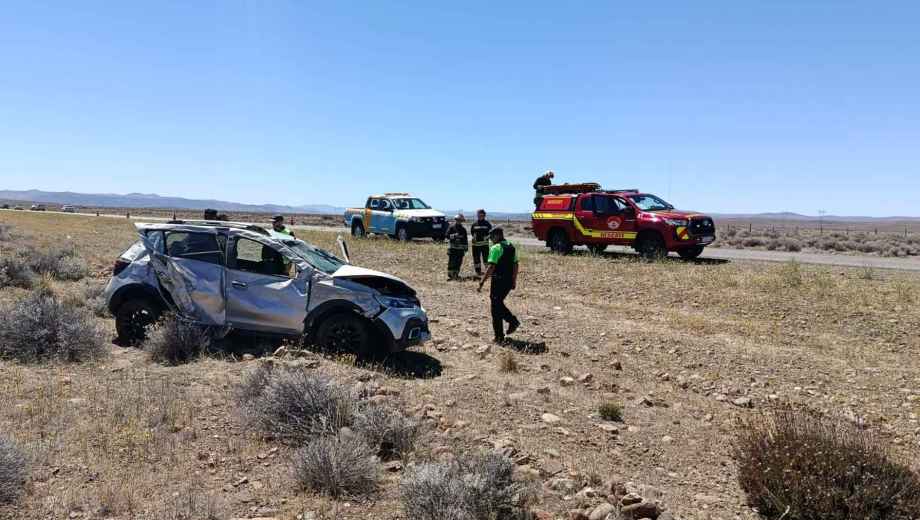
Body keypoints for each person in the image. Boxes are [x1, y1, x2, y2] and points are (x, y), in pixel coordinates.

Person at [478, 226, 521, 343]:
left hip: (498, 280)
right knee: (497, 305)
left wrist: (482, 281)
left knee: (495, 306)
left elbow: (491, 267)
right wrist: (514, 280)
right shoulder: (511, 246)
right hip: (508, 281)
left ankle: (511, 322)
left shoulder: (496, 248)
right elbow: (516, 265)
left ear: (497, 236)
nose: (491, 239)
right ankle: (499, 336)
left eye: (491, 237)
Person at [469, 209, 493, 276]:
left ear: (484, 215)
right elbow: (472, 233)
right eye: (479, 215)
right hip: (475, 245)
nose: (480, 216)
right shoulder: (474, 224)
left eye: (482, 215)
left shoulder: (487, 224)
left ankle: (487, 272)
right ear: (477, 215)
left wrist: (487, 237)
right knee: (476, 258)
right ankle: (478, 272)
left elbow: (491, 233)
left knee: (486, 258)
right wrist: (473, 238)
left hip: (484, 245)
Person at [446, 214, 468, 281]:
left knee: (458, 262)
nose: (459, 221)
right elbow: (446, 236)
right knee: (452, 262)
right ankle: (450, 275)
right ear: (455, 220)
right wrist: (454, 236)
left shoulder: (463, 229)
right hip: (452, 249)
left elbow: (465, 240)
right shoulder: (451, 227)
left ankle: (456, 274)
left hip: (460, 250)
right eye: (458, 220)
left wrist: (466, 248)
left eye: (460, 220)